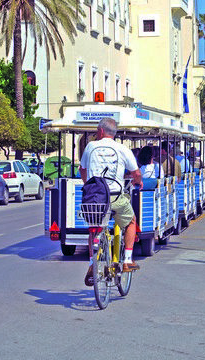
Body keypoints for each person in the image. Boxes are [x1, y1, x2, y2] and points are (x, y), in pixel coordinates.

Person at [79, 117, 143, 286]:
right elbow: (136, 173)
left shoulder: (90, 147)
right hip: (115, 196)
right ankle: (127, 260)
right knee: (131, 221)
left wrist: (88, 185)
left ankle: (92, 264)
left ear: (100, 131)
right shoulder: (122, 149)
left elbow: (82, 170)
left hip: (95, 198)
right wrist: (137, 181)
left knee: (94, 229)